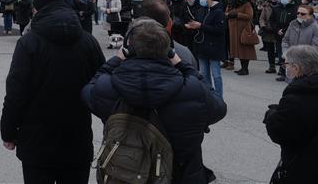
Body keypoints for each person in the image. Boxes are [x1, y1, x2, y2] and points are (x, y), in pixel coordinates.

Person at [82, 19, 227, 184]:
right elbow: (219, 107)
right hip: (181, 175)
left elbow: (88, 91)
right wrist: (184, 66)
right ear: (169, 50)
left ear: (129, 49)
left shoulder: (108, 86)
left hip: (126, 175)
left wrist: (115, 61)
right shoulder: (193, 90)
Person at [1, 0, 105, 184]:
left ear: (37, 9)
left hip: (36, 141)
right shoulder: (88, 41)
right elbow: (103, 87)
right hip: (77, 137)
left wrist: (8, 131)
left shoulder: (29, 42)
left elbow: (16, 92)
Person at [263, 45, 318, 184]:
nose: (284, 67)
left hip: (302, 166)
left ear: (296, 67)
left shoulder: (296, 96)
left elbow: (279, 132)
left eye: (286, 63)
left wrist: (271, 115)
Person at [186, 0, 226, 98]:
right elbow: (199, 24)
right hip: (202, 46)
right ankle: (210, 96)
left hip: (214, 47)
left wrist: (201, 26)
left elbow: (219, 30)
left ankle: (219, 97)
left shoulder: (218, 12)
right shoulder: (201, 10)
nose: (201, 0)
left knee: (216, 75)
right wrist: (192, 26)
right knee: (204, 74)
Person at [278, 3, 318, 82]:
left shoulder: (315, 28)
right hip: (291, 62)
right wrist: (286, 54)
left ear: (310, 15)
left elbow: (315, 47)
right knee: (291, 87)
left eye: (303, 14)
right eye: (298, 13)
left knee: (302, 87)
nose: (299, 15)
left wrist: (301, 57)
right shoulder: (292, 24)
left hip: (306, 63)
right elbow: (285, 40)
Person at [226, 0, 257, 76]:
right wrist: (228, 14)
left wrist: (237, 14)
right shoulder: (231, 3)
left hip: (243, 29)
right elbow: (227, 12)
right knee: (238, 50)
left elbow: (249, 16)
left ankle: (245, 69)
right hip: (233, 29)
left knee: (245, 49)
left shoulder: (247, 3)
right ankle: (242, 68)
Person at [259, 0, 280, 74]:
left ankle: (282, 68)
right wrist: (263, 26)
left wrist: (276, 28)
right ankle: (272, 66)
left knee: (279, 50)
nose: (273, 1)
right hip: (268, 31)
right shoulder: (266, 8)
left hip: (277, 31)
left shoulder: (280, 8)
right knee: (270, 50)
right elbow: (261, 19)